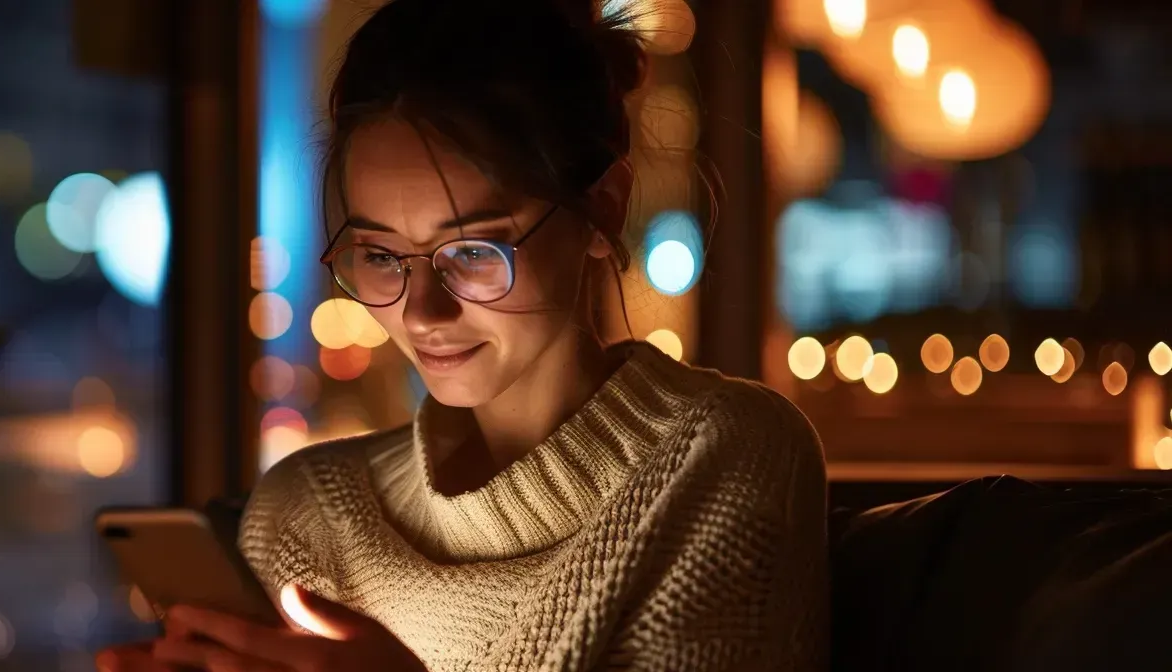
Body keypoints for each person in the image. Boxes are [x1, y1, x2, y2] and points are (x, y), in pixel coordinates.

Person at [99, 0, 828, 669]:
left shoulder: (720, 458)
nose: (421, 313)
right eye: (381, 256)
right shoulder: (306, 511)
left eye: (475, 252)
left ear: (603, 209)